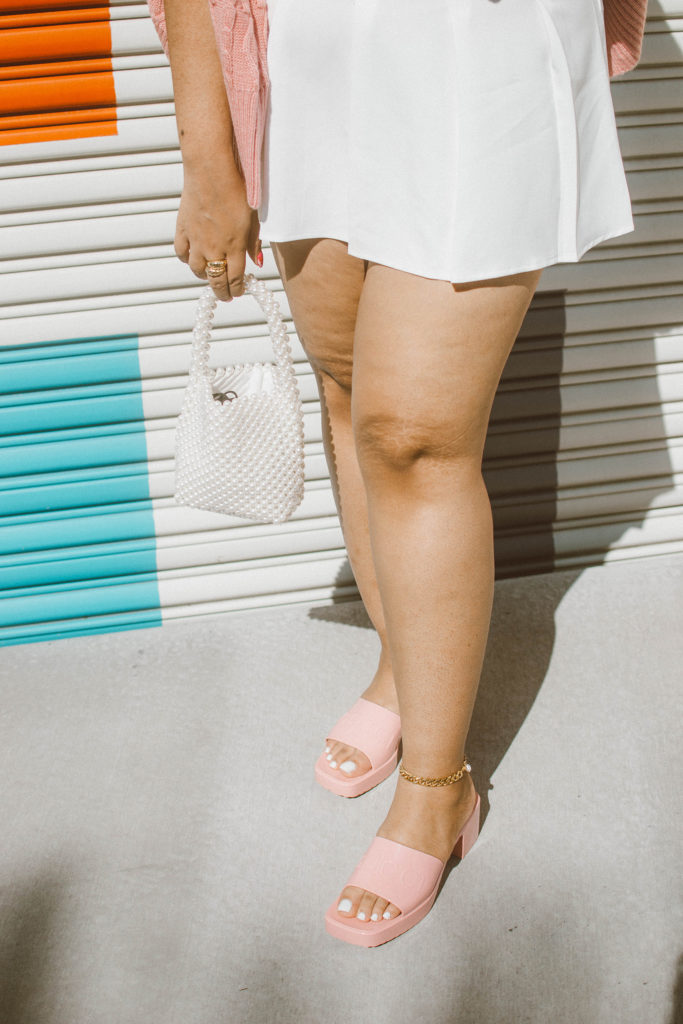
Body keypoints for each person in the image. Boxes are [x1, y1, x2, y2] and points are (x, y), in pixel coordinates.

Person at [148, 0, 644, 947]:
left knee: (412, 433)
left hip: (479, 47)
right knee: (347, 389)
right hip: (311, 48)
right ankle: (399, 663)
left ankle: (436, 787)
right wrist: (207, 150)